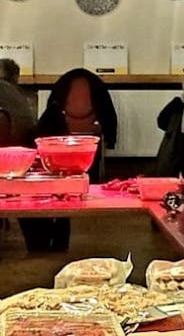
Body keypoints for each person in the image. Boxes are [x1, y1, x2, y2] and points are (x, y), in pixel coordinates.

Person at [28, 68, 120, 252]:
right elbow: (109, 115)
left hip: (51, 154)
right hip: (89, 141)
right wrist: (109, 138)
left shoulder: (52, 113)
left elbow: (41, 130)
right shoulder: (96, 87)